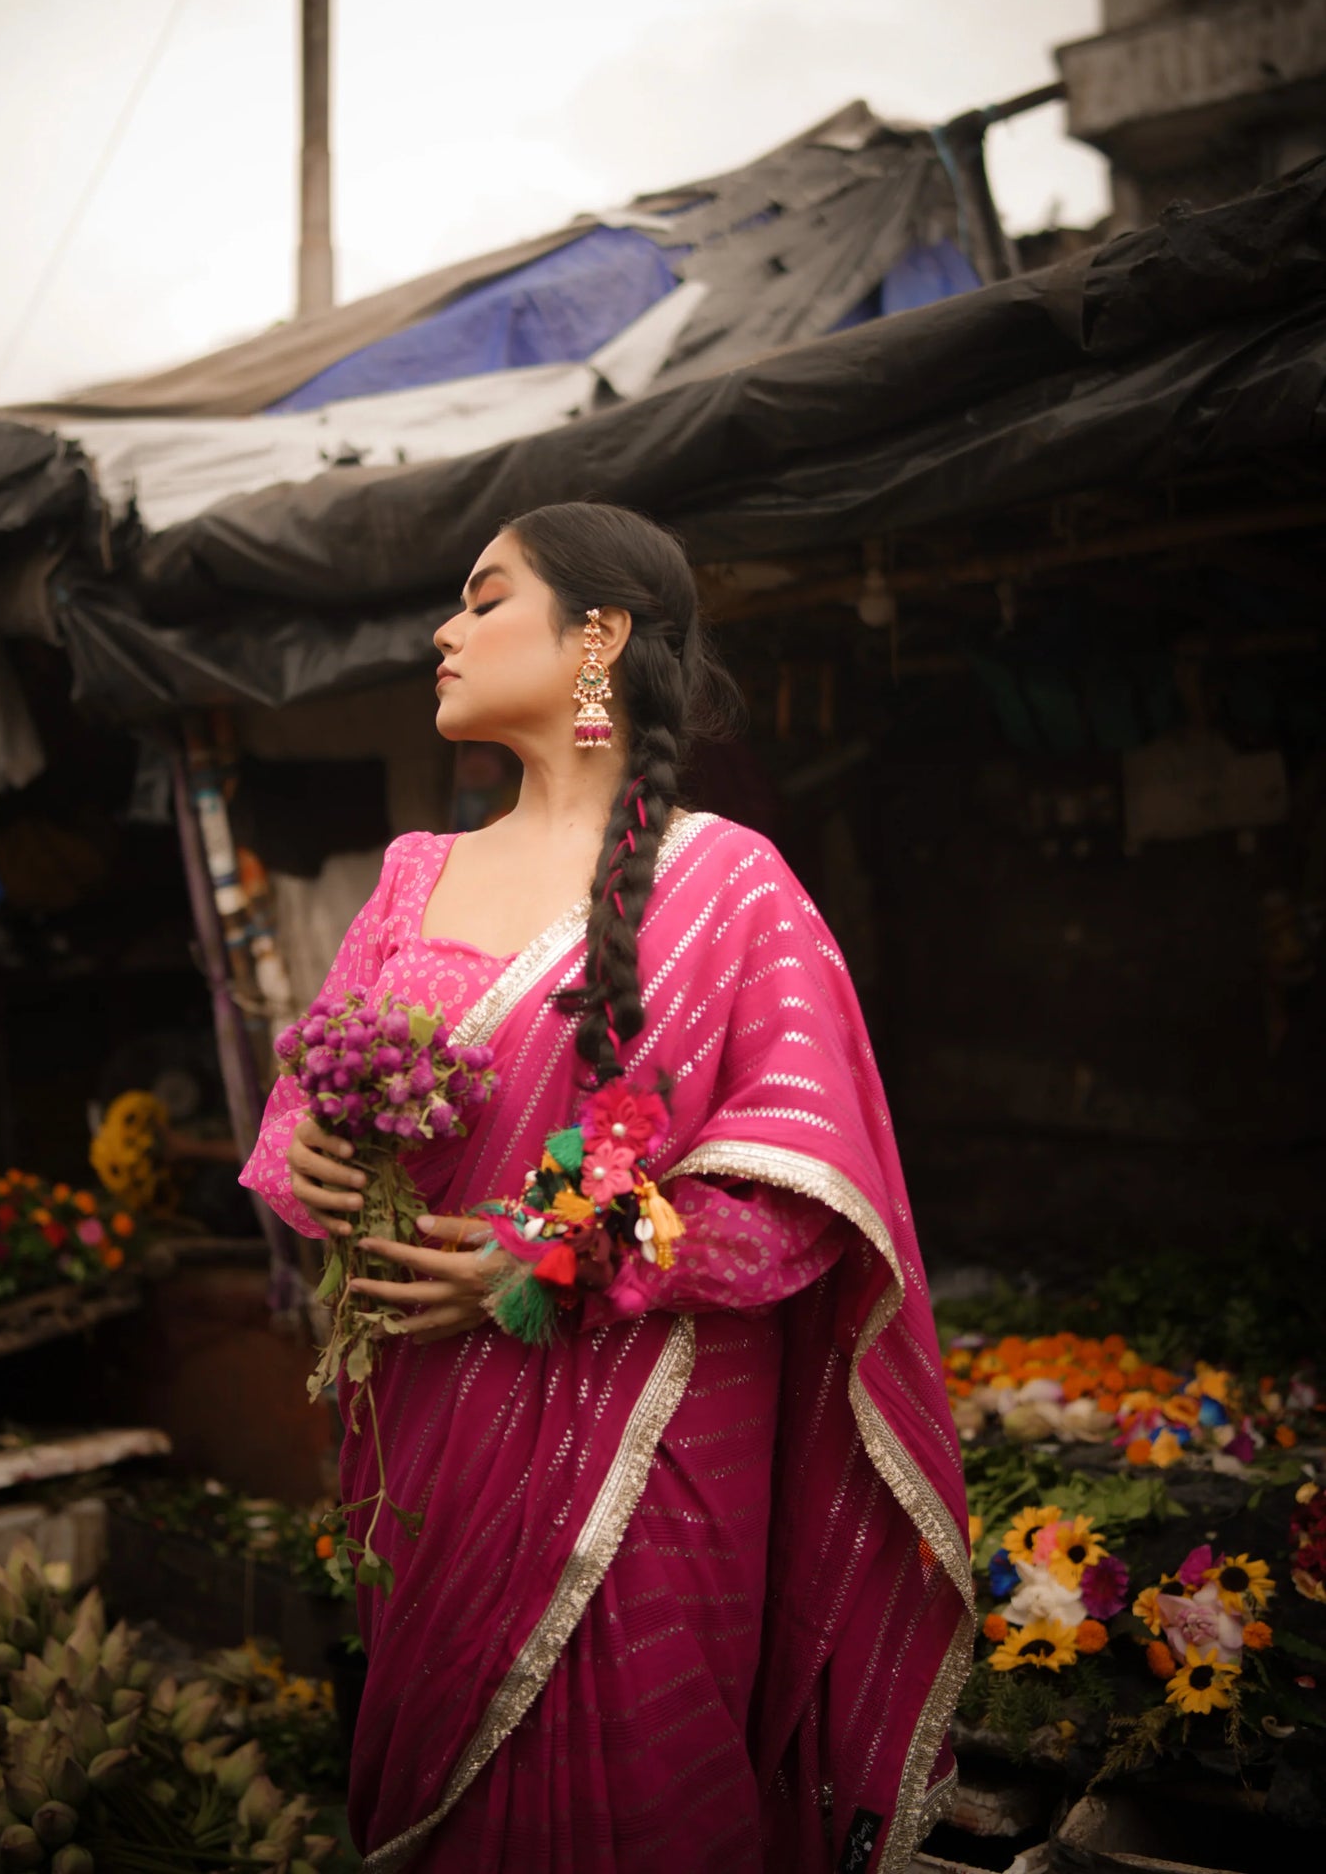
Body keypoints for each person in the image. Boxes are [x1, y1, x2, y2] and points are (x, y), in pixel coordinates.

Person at [239, 503, 970, 1874]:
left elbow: (802, 1194)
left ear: (598, 638)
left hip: (644, 1446)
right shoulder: (410, 878)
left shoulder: (729, 887)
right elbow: (295, 1114)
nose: (441, 632)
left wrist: (547, 1264)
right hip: (426, 1435)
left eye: (481, 598)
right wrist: (320, 1152)